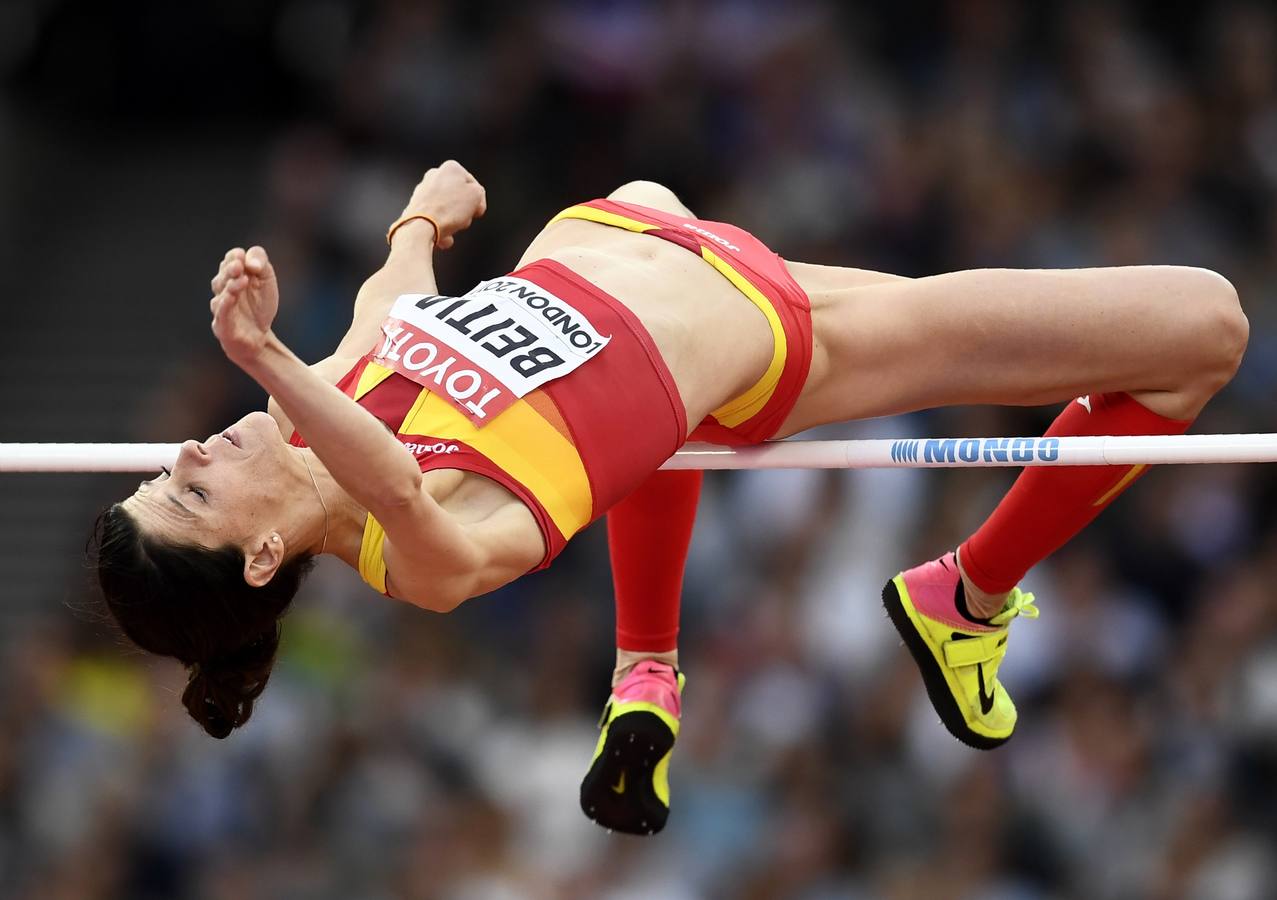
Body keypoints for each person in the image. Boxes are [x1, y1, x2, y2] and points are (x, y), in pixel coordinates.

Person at [92, 161, 1248, 836]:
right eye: (191, 488)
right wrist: (262, 358)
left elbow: (389, 309)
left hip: (646, 234)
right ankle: (966, 595)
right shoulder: (425, 558)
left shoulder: (314, 410)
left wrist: (419, 220)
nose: (194, 449)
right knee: (1201, 330)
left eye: (169, 464)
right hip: (771, 340)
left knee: (649, 444)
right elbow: (394, 480)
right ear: (255, 559)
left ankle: (647, 669)